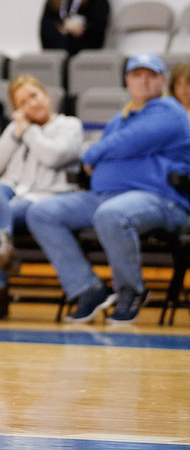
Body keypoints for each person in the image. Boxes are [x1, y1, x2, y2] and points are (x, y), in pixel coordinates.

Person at [27, 54, 190, 325]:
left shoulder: (169, 109)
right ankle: (87, 287)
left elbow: (130, 141)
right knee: (42, 212)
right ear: (127, 80)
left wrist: (92, 154)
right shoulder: (121, 117)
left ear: (163, 80)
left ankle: (132, 291)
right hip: (105, 196)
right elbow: (122, 144)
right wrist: (103, 155)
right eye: (137, 75)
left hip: (160, 198)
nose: (144, 81)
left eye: (151, 75)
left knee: (111, 215)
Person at [0, 76, 83, 319]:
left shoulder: (69, 125)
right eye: (22, 102)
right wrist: (14, 134)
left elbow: (54, 156)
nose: (31, 103)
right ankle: (4, 251)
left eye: (34, 95)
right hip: (14, 192)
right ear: (17, 109)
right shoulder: (16, 129)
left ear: (46, 95)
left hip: (45, 197)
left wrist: (28, 131)